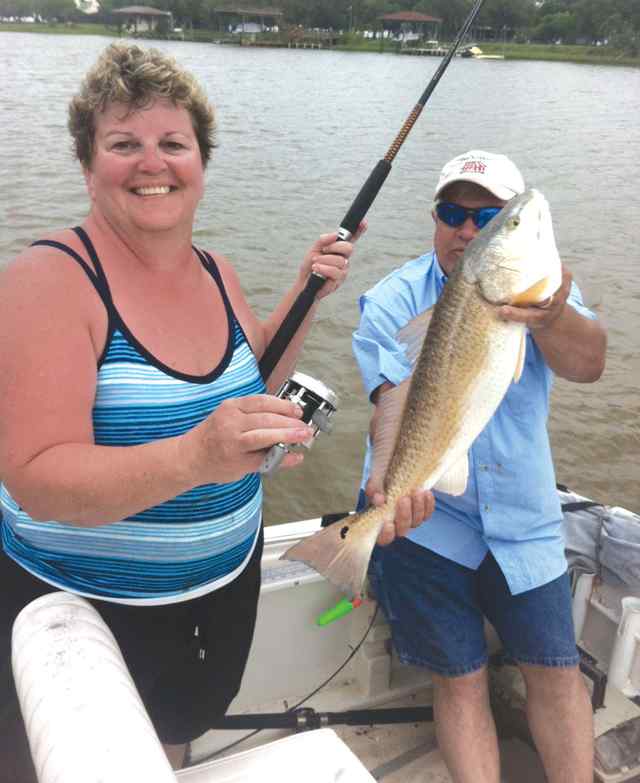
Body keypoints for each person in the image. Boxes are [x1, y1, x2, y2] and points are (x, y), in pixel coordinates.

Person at [0, 42, 365, 779]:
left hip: (222, 584)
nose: (153, 163)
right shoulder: (49, 281)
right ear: (87, 164)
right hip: (85, 607)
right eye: (123, 144)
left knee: (175, 731)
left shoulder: (216, 270)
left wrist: (305, 294)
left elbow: (254, 378)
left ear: (202, 161)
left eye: (174, 143)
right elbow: (36, 480)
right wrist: (198, 456)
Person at [352, 150, 607, 783]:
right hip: (431, 522)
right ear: (435, 218)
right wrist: (386, 487)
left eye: (491, 219)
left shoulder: (549, 291)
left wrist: (552, 318)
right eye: (453, 214)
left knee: (557, 671)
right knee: (459, 680)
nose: (467, 230)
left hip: (523, 517)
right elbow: (391, 402)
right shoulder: (391, 301)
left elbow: (590, 364)